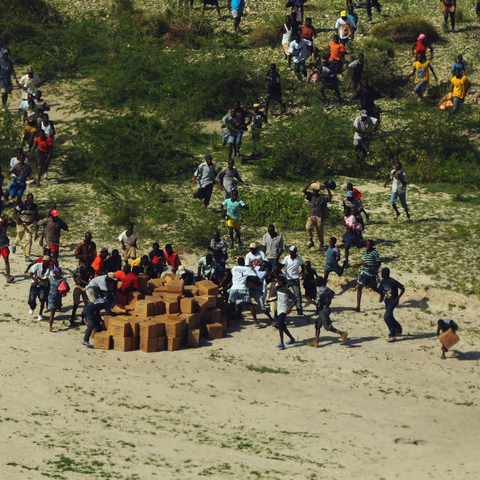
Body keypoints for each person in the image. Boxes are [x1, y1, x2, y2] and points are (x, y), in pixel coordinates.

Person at [308, 276, 348, 347]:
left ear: (319, 283)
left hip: (323, 310)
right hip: (326, 308)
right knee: (318, 325)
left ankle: (342, 333)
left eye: (316, 282)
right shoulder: (327, 289)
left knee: (327, 326)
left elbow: (316, 303)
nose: (315, 283)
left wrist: (309, 300)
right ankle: (316, 342)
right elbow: (332, 294)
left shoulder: (320, 291)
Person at [229, 257, 262, 327]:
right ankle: (256, 321)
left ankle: (228, 320)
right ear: (244, 263)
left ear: (238, 262)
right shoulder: (247, 269)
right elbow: (255, 276)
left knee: (231, 304)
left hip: (233, 288)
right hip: (243, 288)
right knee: (249, 304)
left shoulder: (234, 268)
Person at [266, 275, 297, 349]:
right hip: (278, 309)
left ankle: (282, 343)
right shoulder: (278, 289)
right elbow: (278, 298)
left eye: (278, 281)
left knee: (279, 324)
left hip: (284, 309)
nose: (277, 282)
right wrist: (270, 300)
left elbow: (295, 300)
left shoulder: (287, 291)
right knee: (282, 326)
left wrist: (290, 308)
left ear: (281, 282)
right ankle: (290, 339)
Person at [352, 240, 381, 312]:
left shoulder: (375, 253)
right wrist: (358, 265)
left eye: (369, 245)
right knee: (359, 287)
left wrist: (369, 266)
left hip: (373, 274)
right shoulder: (365, 252)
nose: (367, 246)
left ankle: (381, 293)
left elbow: (378, 263)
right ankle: (358, 306)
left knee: (374, 288)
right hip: (365, 273)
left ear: (372, 245)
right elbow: (365, 261)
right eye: (366, 245)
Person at [377, 267, 405, 342]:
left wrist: (398, 298)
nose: (381, 274)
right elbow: (380, 290)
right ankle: (398, 330)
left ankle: (392, 334)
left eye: (382, 273)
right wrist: (372, 287)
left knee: (387, 316)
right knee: (389, 316)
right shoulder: (383, 281)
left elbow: (402, 288)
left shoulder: (393, 282)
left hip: (393, 301)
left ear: (385, 274)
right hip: (387, 301)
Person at [303, 180, 332, 249]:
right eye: (313, 191)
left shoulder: (322, 197)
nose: (314, 192)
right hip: (312, 215)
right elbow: (304, 191)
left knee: (319, 231)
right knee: (308, 227)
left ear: (318, 191)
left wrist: (326, 187)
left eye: (315, 191)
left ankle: (321, 243)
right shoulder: (311, 196)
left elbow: (330, 197)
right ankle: (311, 241)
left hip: (320, 216)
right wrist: (310, 183)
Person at [11, 193, 38, 263]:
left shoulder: (34, 206)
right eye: (30, 198)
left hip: (29, 224)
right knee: (19, 237)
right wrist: (17, 219)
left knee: (28, 239)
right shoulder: (21, 205)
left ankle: (27, 255)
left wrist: (35, 220)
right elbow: (14, 211)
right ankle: (14, 244)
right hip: (21, 224)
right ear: (27, 199)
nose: (31, 200)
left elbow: (36, 213)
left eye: (32, 198)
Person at [70, 256, 94, 325]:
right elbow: (79, 278)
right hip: (78, 286)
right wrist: (88, 283)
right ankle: (72, 319)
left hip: (85, 287)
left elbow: (92, 277)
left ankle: (83, 318)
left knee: (87, 304)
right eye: (87, 263)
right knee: (76, 304)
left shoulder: (91, 269)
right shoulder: (81, 267)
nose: (88, 265)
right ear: (85, 262)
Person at [282, 245, 304, 316]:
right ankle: (284, 309)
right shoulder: (287, 258)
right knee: (284, 293)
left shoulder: (299, 259)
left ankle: (299, 310)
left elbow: (302, 266)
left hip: (295, 279)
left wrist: (302, 273)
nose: (290, 252)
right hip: (287, 278)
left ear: (295, 252)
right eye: (290, 251)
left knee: (297, 295)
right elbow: (282, 265)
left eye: (291, 251)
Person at [47, 267, 69, 332]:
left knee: (58, 308)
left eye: (60, 272)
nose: (59, 274)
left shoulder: (63, 280)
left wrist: (63, 291)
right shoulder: (50, 279)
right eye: (57, 272)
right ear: (55, 273)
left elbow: (68, 288)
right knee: (52, 312)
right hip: (51, 298)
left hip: (58, 298)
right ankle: (50, 326)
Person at [0, 215, 15, 283]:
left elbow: (14, 225)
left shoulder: (5, 224)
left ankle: (8, 277)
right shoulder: (1, 225)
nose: (6, 221)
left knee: (6, 261)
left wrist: (11, 220)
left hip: (4, 245)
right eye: (4, 219)